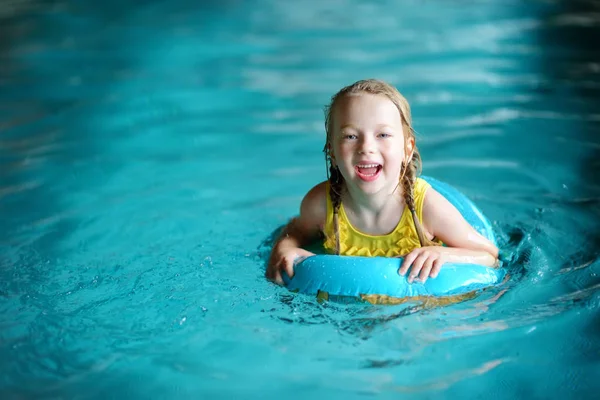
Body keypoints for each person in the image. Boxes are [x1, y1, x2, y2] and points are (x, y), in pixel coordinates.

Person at [266, 79, 498, 287]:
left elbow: (490, 256)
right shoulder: (321, 204)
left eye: (383, 135)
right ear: (332, 153)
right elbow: (296, 231)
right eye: (350, 136)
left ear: (407, 149)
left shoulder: (426, 207)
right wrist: (285, 249)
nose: (366, 147)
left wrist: (443, 254)